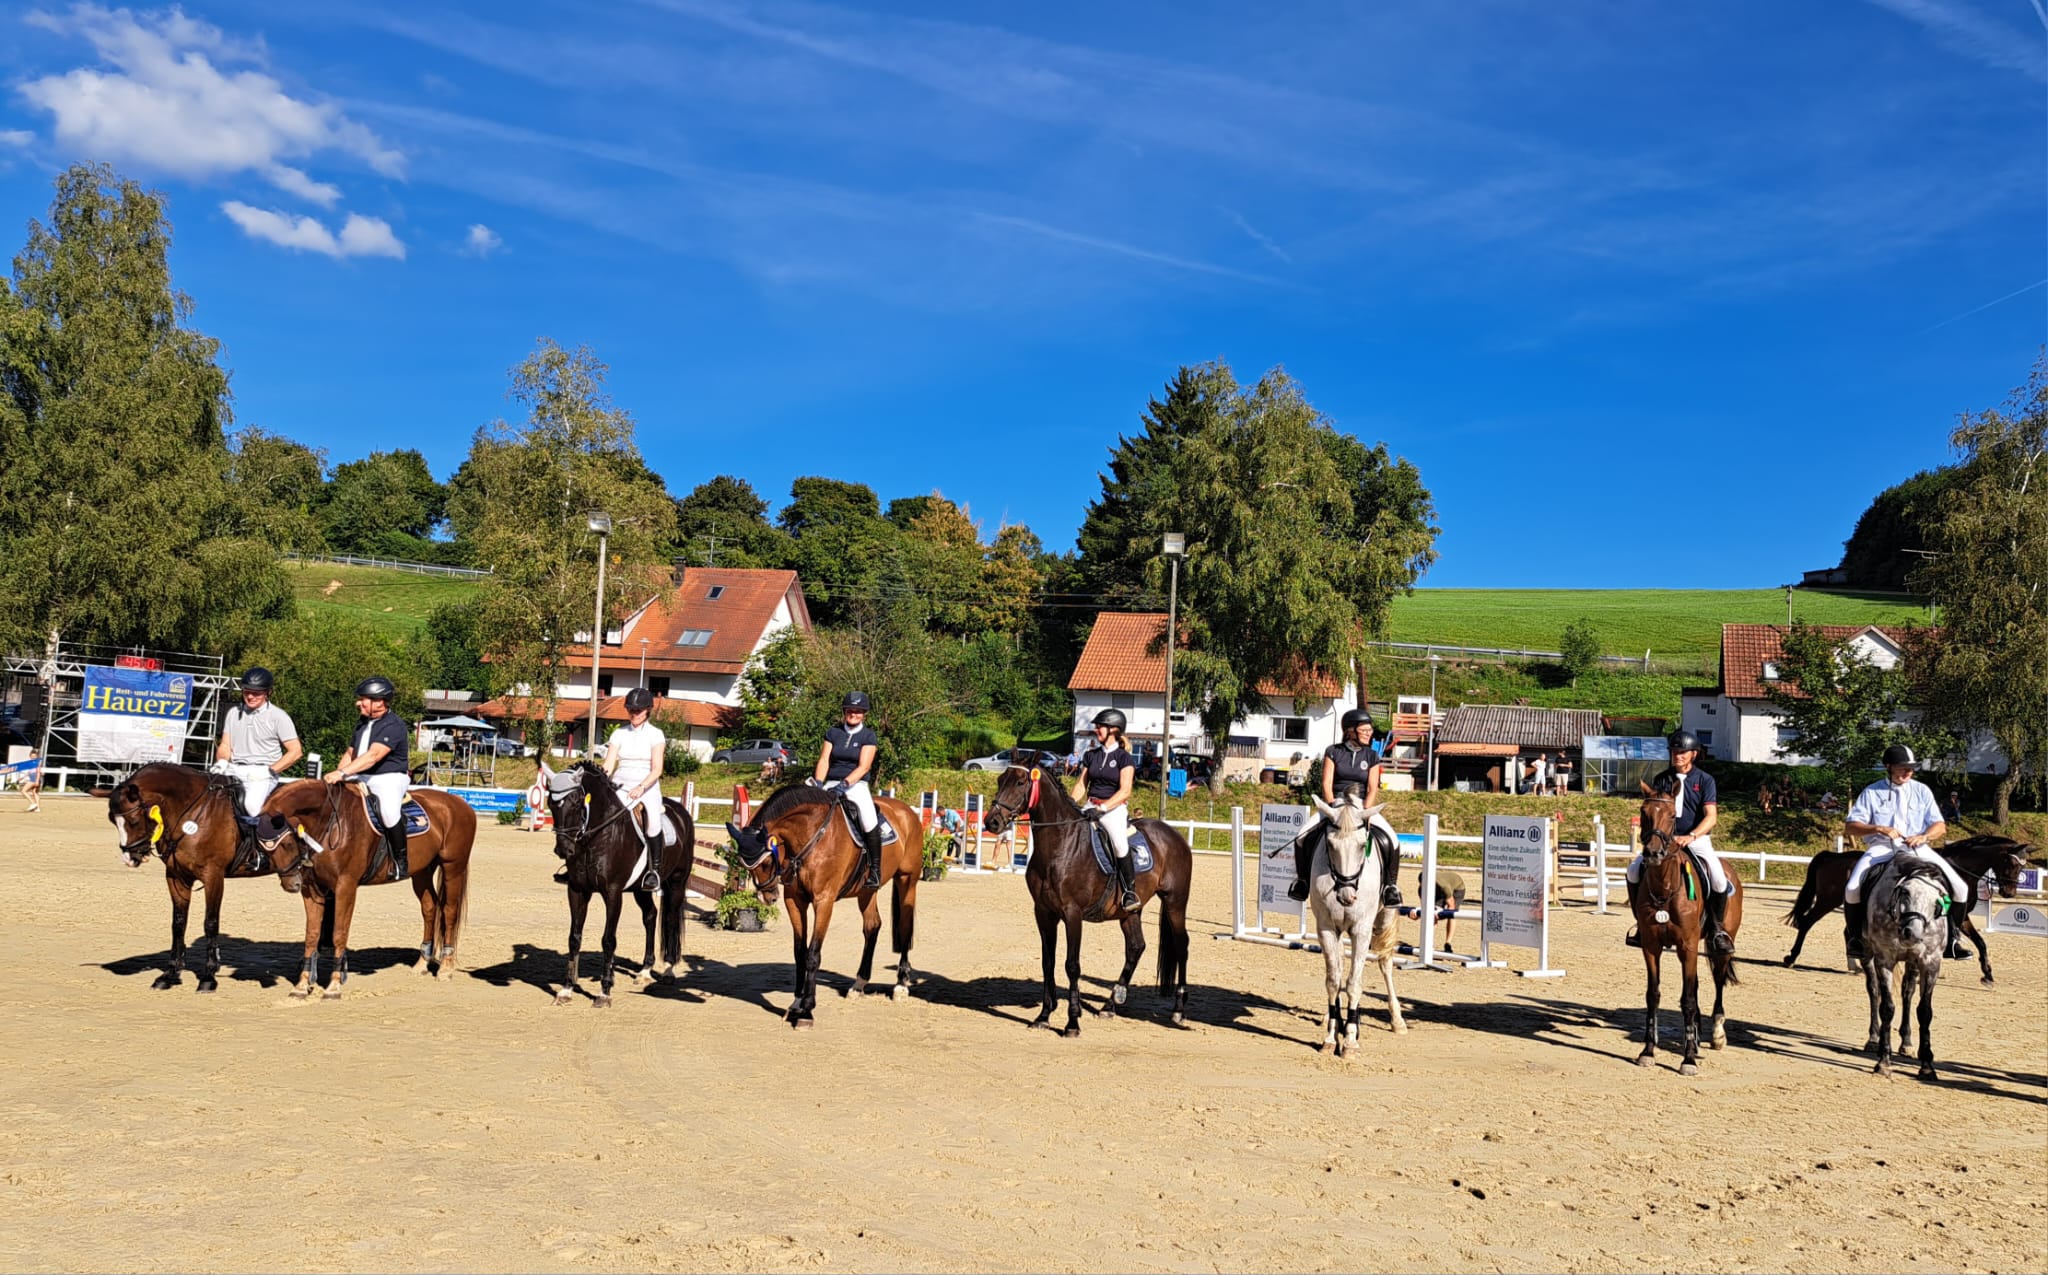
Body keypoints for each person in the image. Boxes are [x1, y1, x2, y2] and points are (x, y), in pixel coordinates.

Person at [1841, 744, 1966, 961]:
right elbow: (1851, 827)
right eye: (1902, 767)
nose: (1909, 772)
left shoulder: (1922, 790)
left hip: (1917, 847)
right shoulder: (1872, 792)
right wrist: (1878, 828)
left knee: (1961, 887)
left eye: (1911, 768)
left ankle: (1953, 939)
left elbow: (1939, 825)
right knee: (1852, 888)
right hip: (1882, 847)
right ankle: (1856, 938)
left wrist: (1924, 836)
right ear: (1888, 766)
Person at [1626, 730, 1736, 954]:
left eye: (1682, 752)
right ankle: (1641, 926)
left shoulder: (1705, 780)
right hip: (1665, 842)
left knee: (1718, 879)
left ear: (1693, 754)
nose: (1677, 755)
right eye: (1674, 751)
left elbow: (1711, 816)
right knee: (1633, 871)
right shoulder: (1662, 779)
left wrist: (1692, 836)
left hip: (1696, 840)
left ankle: (1716, 930)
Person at [1289, 709, 1400, 906]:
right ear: (1351, 731)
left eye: (1370, 730)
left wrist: (1365, 812)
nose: (1369, 733)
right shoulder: (1333, 752)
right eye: (1364, 730)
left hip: (1360, 806)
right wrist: (1333, 807)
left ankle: (1390, 887)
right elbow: (1326, 784)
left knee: (1392, 839)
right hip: (1337, 804)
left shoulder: (1372, 755)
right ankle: (1302, 881)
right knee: (1302, 835)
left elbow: (1372, 788)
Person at [324, 676, 411, 882]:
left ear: (379, 702)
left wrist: (342, 774)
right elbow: (351, 753)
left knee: (388, 812)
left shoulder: (394, 725)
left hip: (389, 777)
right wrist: (338, 774)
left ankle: (400, 861)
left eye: (363, 699)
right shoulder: (362, 724)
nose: (358, 703)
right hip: (360, 774)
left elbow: (373, 756)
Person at [599, 687, 669, 891]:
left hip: (647, 784)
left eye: (638, 710)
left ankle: (654, 871)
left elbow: (657, 769)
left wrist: (641, 787)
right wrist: (601, 779)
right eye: (630, 710)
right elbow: (609, 764)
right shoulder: (619, 733)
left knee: (653, 820)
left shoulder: (656, 734)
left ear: (647, 710)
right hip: (621, 782)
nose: (634, 714)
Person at [815, 691, 884, 890]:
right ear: (844, 711)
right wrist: (819, 783)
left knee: (868, 819)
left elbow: (864, 766)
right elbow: (824, 760)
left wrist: (844, 785)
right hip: (830, 782)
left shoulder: (868, 736)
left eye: (858, 711)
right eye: (850, 710)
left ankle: (875, 870)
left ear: (864, 714)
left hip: (856, 785)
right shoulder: (833, 733)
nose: (854, 714)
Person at [213, 666, 303, 820]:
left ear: (268, 692)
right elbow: (226, 745)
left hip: (262, 773)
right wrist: (221, 762)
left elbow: (295, 751)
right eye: (247, 691)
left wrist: (270, 771)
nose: (250, 696)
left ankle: (262, 836)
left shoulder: (278, 717)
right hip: (234, 768)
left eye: (256, 693)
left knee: (252, 806)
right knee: (209, 798)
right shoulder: (233, 713)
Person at [1073, 708, 1140, 908]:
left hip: (1113, 809)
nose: (1096, 730)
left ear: (1113, 729)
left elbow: (1125, 790)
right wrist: (1070, 804)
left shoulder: (1124, 758)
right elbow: (1081, 785)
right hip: (1090, 805)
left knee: (1119, 844)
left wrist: (1103, 808)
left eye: (1099, 727)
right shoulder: (1091, 755)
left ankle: (1129, 892)